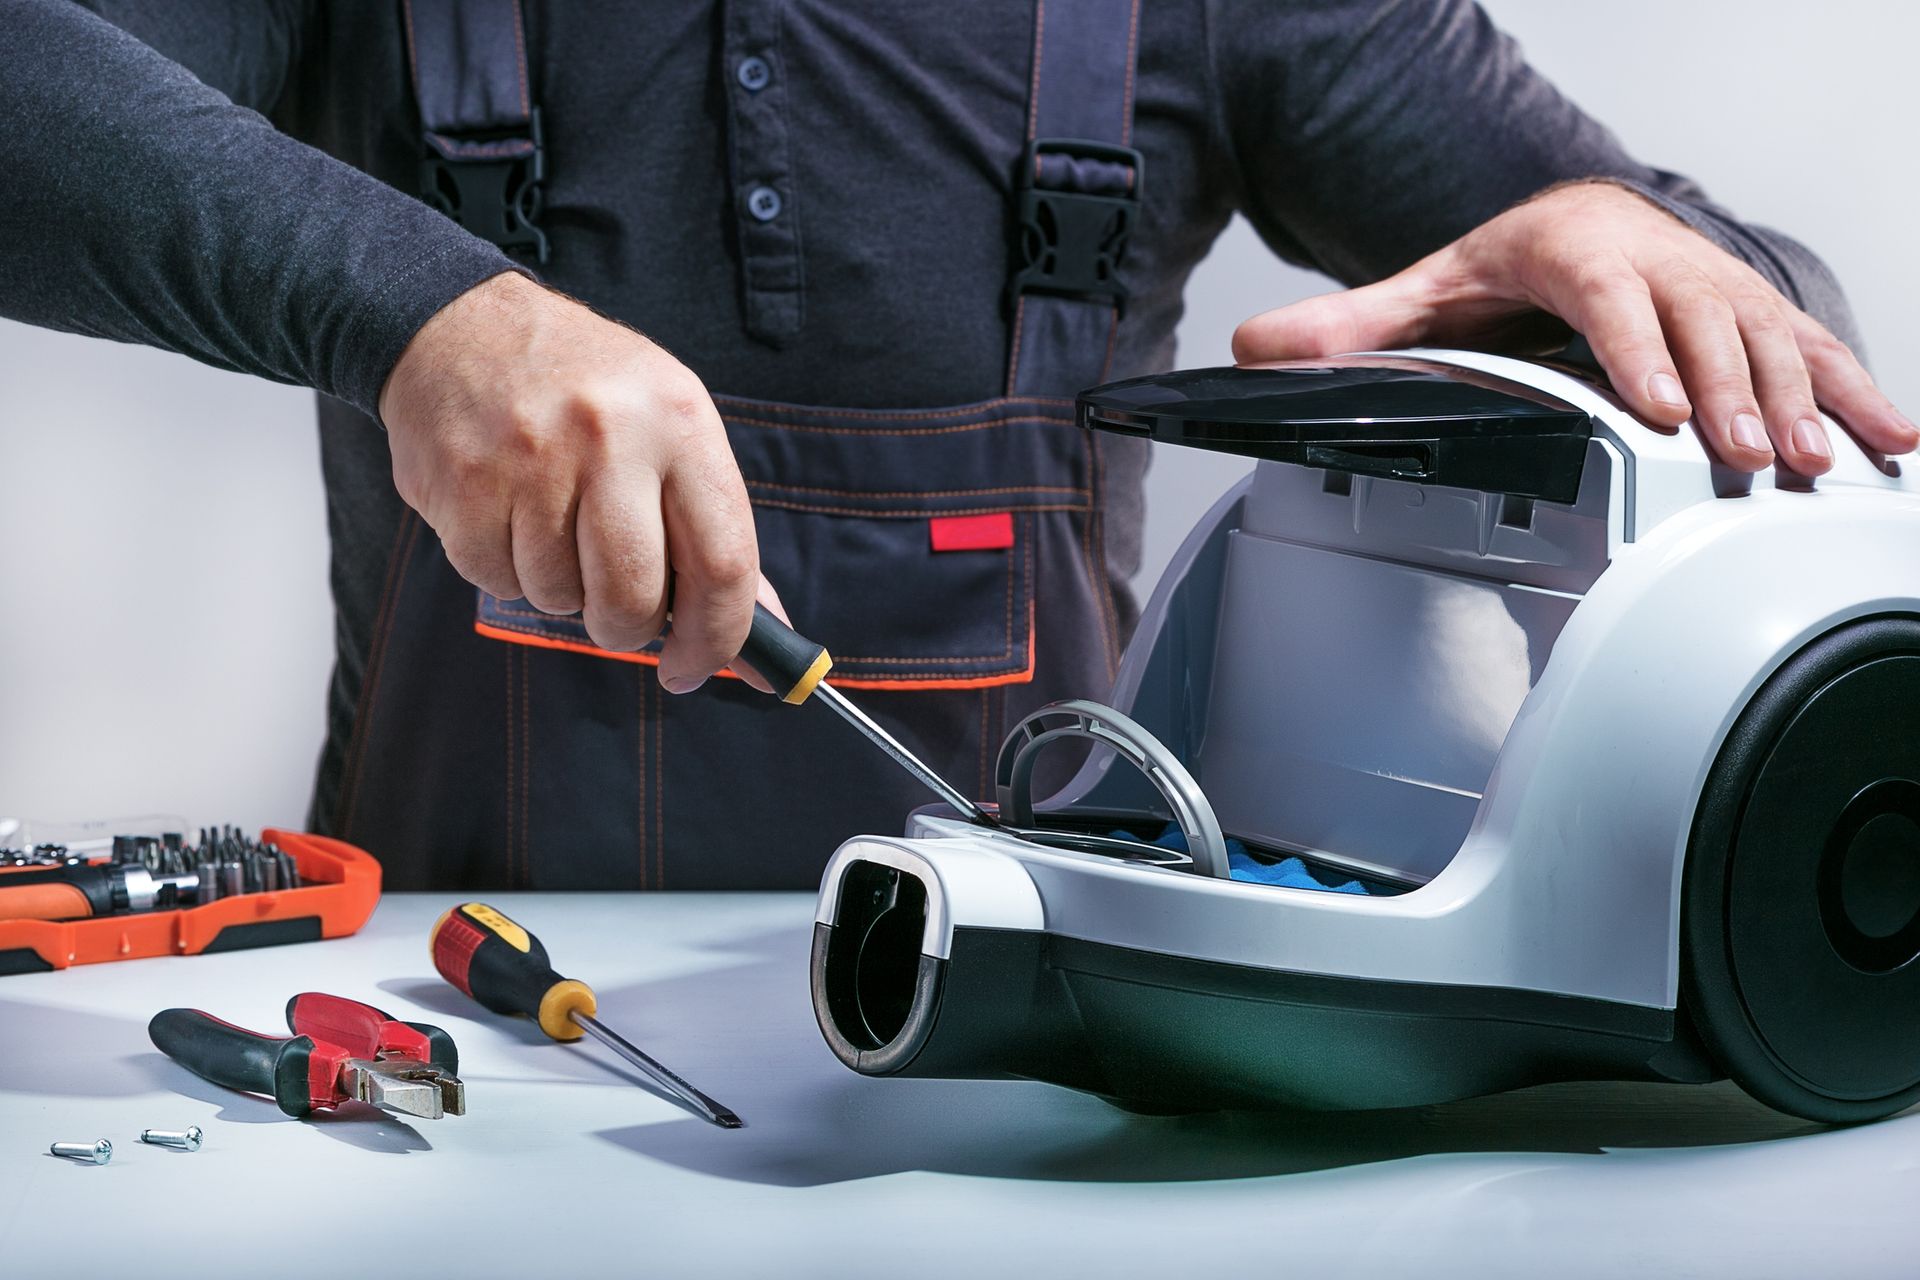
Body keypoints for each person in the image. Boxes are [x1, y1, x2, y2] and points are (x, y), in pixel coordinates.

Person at [4, 1, 1912, 890]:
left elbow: (1782, 344)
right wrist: (417, 306)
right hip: (447, 1045)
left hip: (1049, 1077)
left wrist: (1644, 268)